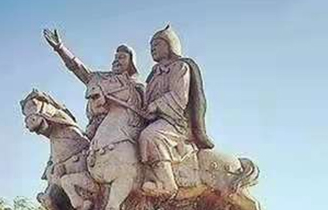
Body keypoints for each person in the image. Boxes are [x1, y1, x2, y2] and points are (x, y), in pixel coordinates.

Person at [139, 25, 214, 197]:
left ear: (170, 45)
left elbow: (178, 97)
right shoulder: (153, 75)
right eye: (151, 46)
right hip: (156, 119)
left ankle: (167, 184)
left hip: (175, 121)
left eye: (157, 44)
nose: (153, 48)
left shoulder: (180, 67)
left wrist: (155, 106)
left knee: (150, 136)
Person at [43, 29, 144, 140]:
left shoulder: (136, 85)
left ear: (131, 62)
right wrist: (61, 49)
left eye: (122, 57)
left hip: (124, 128)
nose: (116, 61)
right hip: (94, 127)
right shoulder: (98, 78)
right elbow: (76, 67)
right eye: (116, 57)